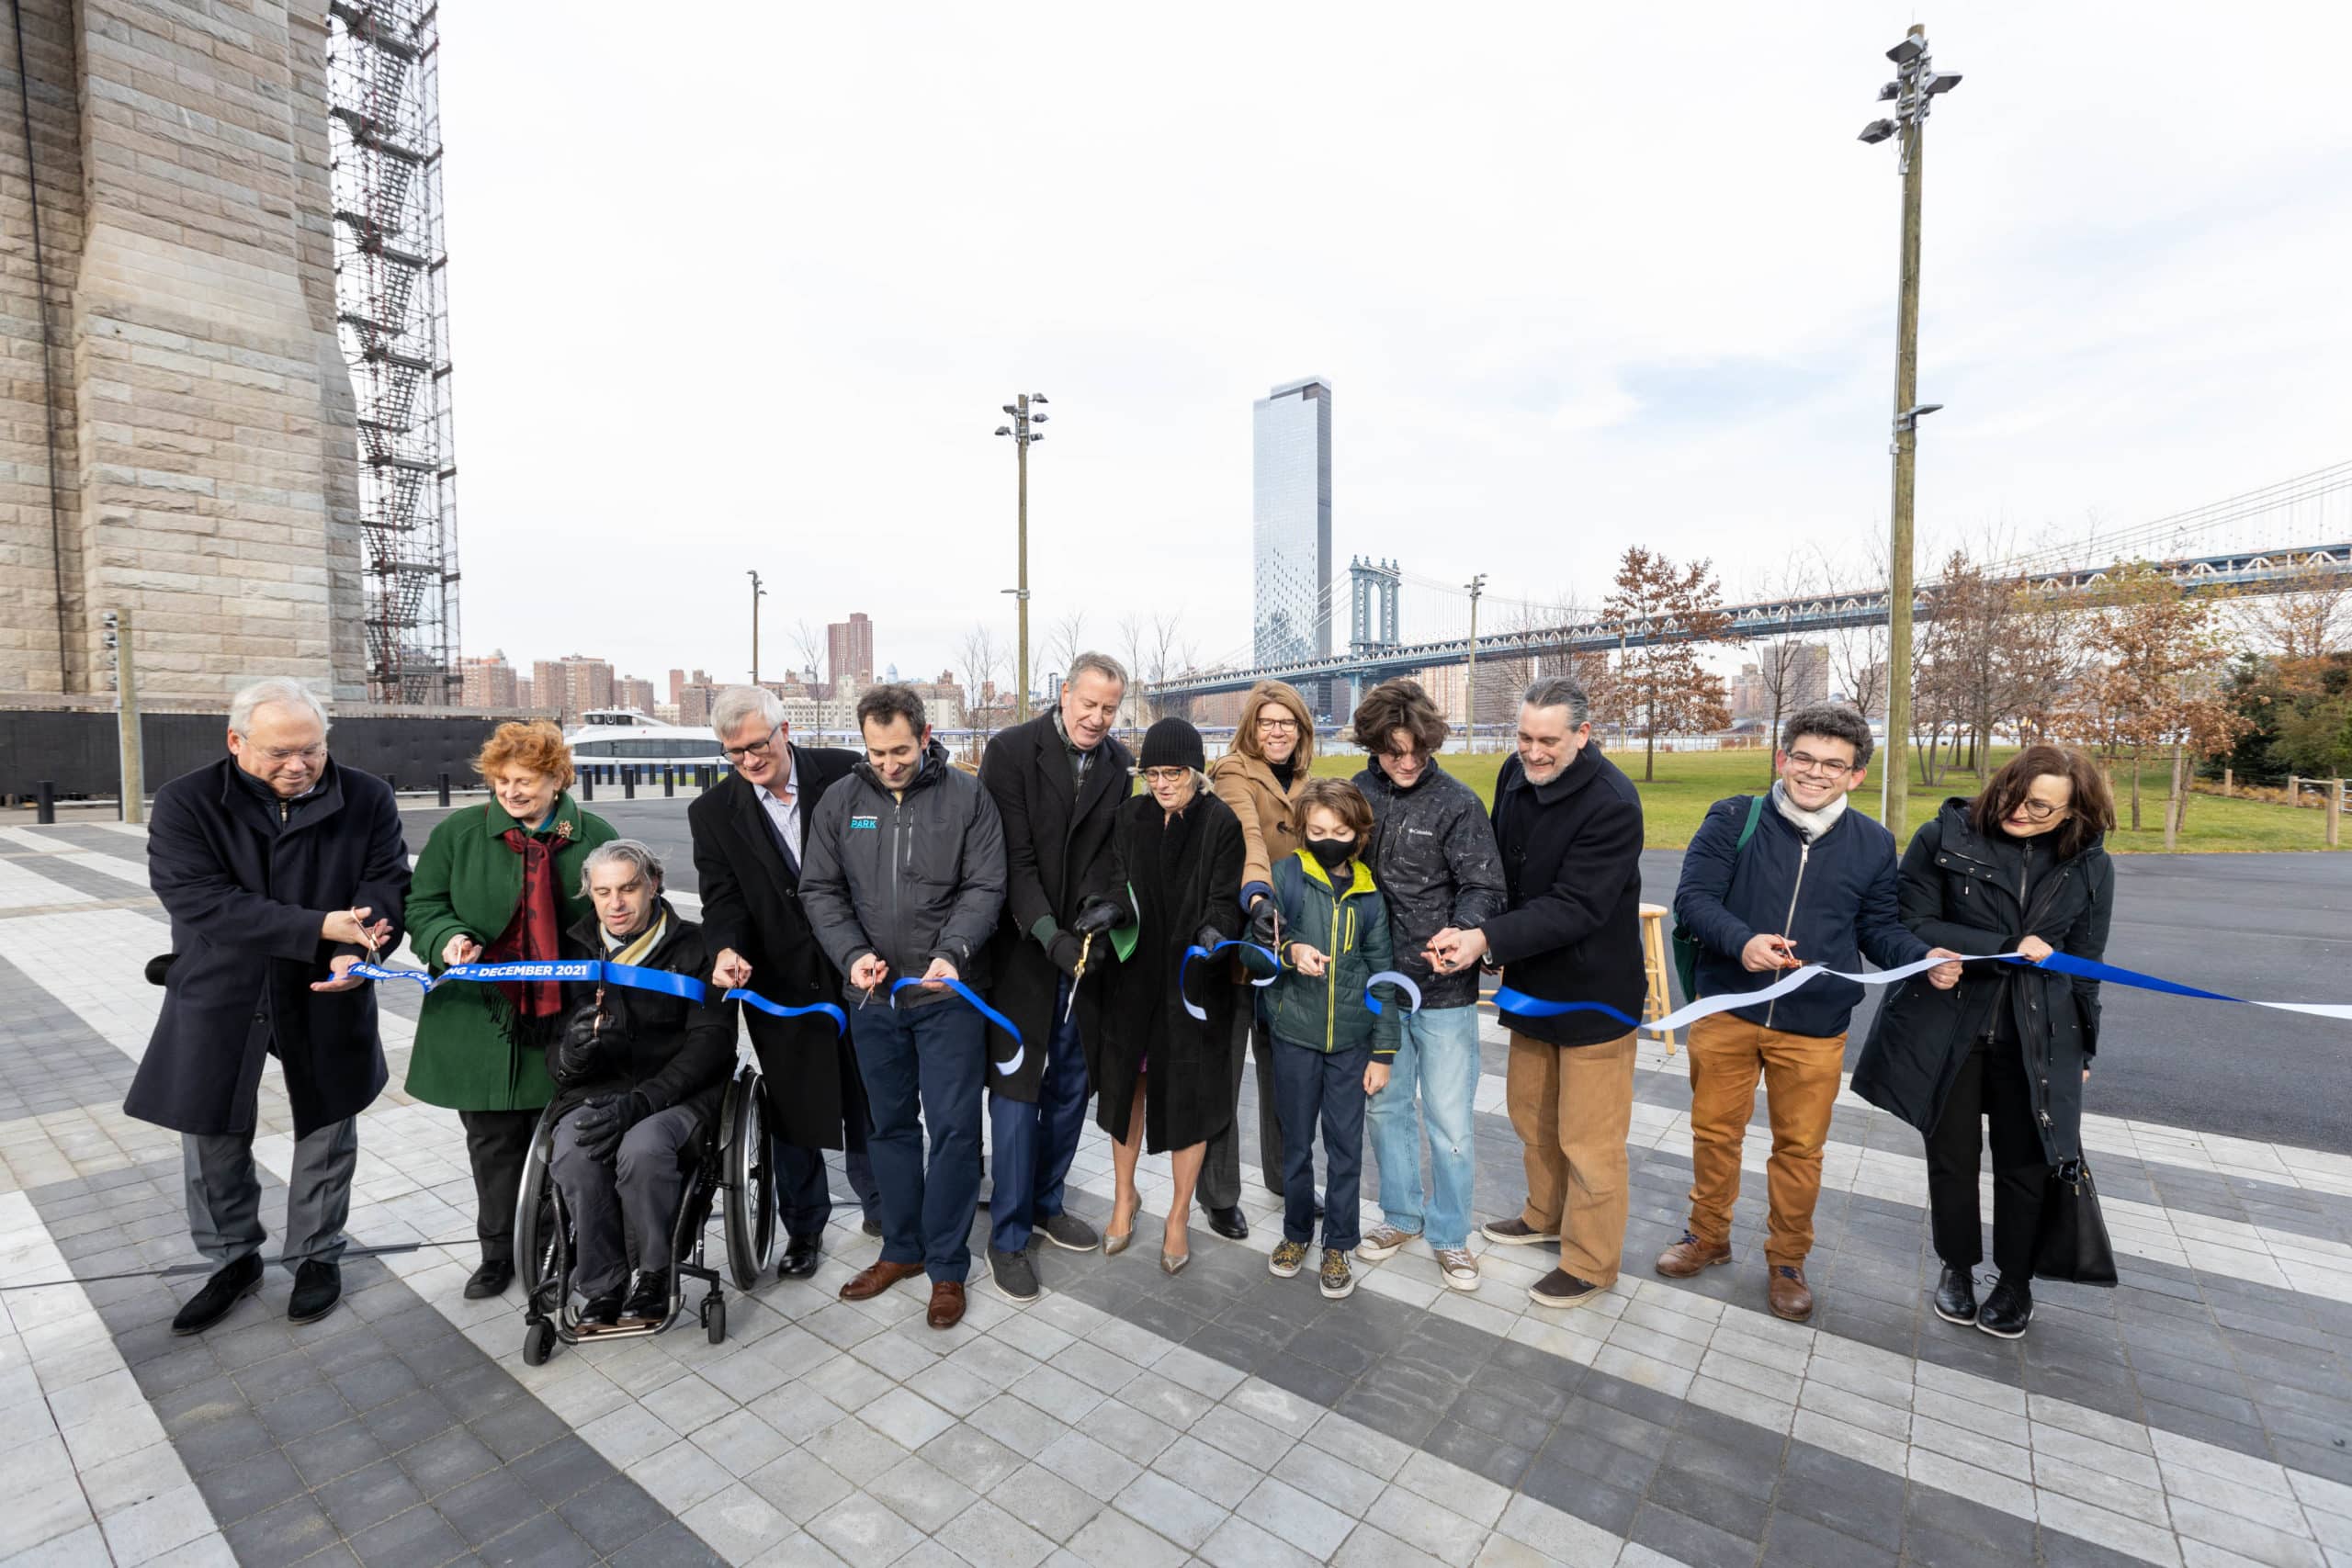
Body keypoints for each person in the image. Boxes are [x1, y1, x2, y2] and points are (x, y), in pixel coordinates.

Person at [129, 678, 410, 1334]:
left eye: (311, 750)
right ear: (236, 742)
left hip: (324, 985)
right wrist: (319, 927)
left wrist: (361, 949)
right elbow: (200, 899)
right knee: (211, 1129)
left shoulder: (366, 795)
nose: (298, 765)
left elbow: (387, 880)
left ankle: (316, 1255)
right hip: (221, 984)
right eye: (279, 752)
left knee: (328, 1122)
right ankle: (231, 1258)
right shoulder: (186, 802)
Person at [1665, 704, 1963, 1321]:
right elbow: (1693, 900)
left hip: (1815, 1026)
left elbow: (1879, 928)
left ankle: (1787, 1260)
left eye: (1834, 764)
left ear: (1856, 775)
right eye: (1804, 757)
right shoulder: (1731, 818)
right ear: (1783, 758)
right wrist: (1741, 940)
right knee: (1714, 1132)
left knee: (1799, 1149)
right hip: (1728, 1010)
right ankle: (1708, 1235)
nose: (1815, 772)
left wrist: (1921, 955)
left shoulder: (1875, 843)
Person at [1853, 745, 2116, 1339]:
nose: (2021, 812)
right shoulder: (1941, 835)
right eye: (2013, 795)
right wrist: (2004, 942)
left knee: (2026, 1164)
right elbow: (1909, 921)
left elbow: (2087, 964)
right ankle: (1957, 1267)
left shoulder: (2090, 865)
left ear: (2072, 813)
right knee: (1952, 1159)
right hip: (1947, 1026)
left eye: (2042, 807)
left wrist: (2086, 1051)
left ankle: (2015, 1282)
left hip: (2040, 1035)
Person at [1430, 676, 1643, 1310]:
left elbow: (1576, 906)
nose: (1533, 750)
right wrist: (1482, 934)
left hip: (1593, 997)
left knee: (1590, 1140)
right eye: (1524, 736)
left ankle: (1590, 1261)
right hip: (1531, 989)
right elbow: (1501, 869)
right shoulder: (1513, 773)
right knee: (1533, 1117)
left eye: (1547, 739)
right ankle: (1544, 1213)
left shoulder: (1613, 803)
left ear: (1582, 733)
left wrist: (1486, 938)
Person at [799, 683, 1007, 1330]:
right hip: (872, 995)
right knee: (887, 1125)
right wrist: (850, 953)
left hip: (947, 995)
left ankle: (947, 1265)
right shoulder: (842, 800)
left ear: (923, 735)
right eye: (875, 751)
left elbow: (986, 883)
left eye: (899, 750)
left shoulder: (968, 797)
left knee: (952, 1129)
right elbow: (820, 888)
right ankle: (902, 1248)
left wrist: (955, 950)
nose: (888, 763)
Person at [405, 720, 616, 1300]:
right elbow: (422, 903)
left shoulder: (592, 832)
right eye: (502, 780)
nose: (512, 791)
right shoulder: (459, 832)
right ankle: (497, 1251)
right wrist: (446, 938)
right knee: (492, 1140)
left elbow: (625, 909)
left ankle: (552, 1249)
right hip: (483, 1017)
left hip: (565, 1018)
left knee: (559, 1142)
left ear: (557, 779)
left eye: (526, 780)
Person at [691, 685, 878, 1278]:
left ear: (785, 730)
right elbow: (722, 900)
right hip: (780, 984)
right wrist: (726, 949)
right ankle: (804, 1229)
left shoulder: (848, 774)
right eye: (734, 752)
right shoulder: (713, 814)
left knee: (872, 1099)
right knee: (793, 1113)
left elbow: (884, 841)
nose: (748, 760)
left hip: (861, 971)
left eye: (756, 744)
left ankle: (888, 1208)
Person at [974, 653, 1134, 1301]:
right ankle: (1008, 1234)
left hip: (1083, 950)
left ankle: (1046, 1199)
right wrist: (1050, 935)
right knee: (1016, 1095)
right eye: (1087, 703)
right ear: (1063, 693)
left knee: (1072, 1083)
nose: (1097, 718)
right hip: (1022, 948)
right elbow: (1010, 857)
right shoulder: (1011, 751)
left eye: (1109, 709)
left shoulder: (1120, 764)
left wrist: (1104, 907)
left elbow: (1114, 851)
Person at [1082, 718, 1264, 1275]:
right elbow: (1113, 879)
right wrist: (1109, 907)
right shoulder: (1128, 818)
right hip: (1133, 985)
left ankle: (1180, 1215)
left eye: (1174, 774)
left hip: (1192, 988)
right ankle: (1123, 1199)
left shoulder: (1220, 823)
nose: (1161, 784)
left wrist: (1214, 930)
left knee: (1188, 1098)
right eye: (1152, 774)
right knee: (1124, 1092)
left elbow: (1223, 897)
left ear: (1196, 772)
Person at [1350, 679, 1505, 1293]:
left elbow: (1485, 886)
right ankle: (1400, 1215)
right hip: (1374, 989)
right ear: (1372, 744)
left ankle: (1449, 1233)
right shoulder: (1354, 796)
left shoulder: (1458, 803)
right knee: (1385, 1108)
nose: (1408, 762)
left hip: (1443, 992)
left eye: (1417, 750)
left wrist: (1465, 929)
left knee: (1448, 1120)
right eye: (1393, 751)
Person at [547, 841, 738, 1324]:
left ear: (654, 884)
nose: (616, 903)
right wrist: (568, 1055)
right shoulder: (573, 951)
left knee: (644, 1148)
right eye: (603, 891)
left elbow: (712, 1044)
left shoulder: (699, 946)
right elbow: (549, 1044)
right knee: (573, 1151)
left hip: (679, 1093)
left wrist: (645, 1101)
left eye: (629, 888)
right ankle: (603, 1284)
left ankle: (655, 1272)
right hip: (597, 1090)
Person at [1261, 778, 1401, 1302]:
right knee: (1296, 1145)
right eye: (1317, 830)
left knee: (1346, 1148)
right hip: (1295, 1038)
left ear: (1358, 833)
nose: (1328, 838)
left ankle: (1338, 1242)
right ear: (1302, 830)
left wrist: (1383, 1052)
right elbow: (1263, 945)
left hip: (1351, 1046)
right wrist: (1291, 949)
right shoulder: (1287, 876)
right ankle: (1296, 1232)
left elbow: (1383, 976)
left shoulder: (1369, 894)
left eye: (1339, 830)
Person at [1203, 677, 1317, 1240]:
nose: (1277, 731)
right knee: (1225, 1072)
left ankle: (1286, 1177)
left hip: (1293, 950)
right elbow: (1249, 839)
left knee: (1285, 1074)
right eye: (1268, 721)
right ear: (1252, 726)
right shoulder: (1232, 773)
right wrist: (1258, 898)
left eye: (1287, 722)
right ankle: (1220, 1195)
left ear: (1301, 730)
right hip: (1245, 942)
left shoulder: (1308, 781)